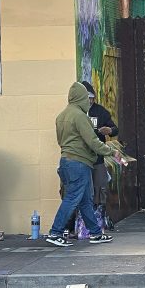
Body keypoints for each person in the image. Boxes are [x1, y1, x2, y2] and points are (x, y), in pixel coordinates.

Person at [47, 82, 116, 247]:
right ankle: (55, 232)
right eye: (86, 97)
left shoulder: (62, 116)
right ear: (81, 98)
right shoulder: (79, 116)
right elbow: (92, 141)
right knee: (72, 198)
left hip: (66, 160)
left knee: (85, 199)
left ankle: (95, 233)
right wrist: (111, 152)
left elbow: (61, 141)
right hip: (79, 162)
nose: (88, 101)